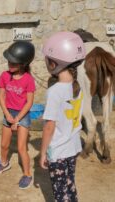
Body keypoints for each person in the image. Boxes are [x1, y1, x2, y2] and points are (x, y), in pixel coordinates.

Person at [40, 32, 85, 201]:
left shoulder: (54, 92)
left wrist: (43, 152)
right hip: (73, 147)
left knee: (60, 193)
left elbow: (49, 126)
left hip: (58, 151)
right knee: (70, 185)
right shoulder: (77, 86)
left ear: (53, 63)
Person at [0, 41, 36, 189]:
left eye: (14, 63)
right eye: (9, 61)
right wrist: (7, 115)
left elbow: (29, 102)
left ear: (23, 64)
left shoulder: (28, 79)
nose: (9, 64)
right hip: (8, 112)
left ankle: (27, 174)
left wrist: (17, 119)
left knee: (21, 148)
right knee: (4, 145)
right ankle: (4, 164)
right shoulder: (5, 76)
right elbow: (1, 96)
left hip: (22, 114)